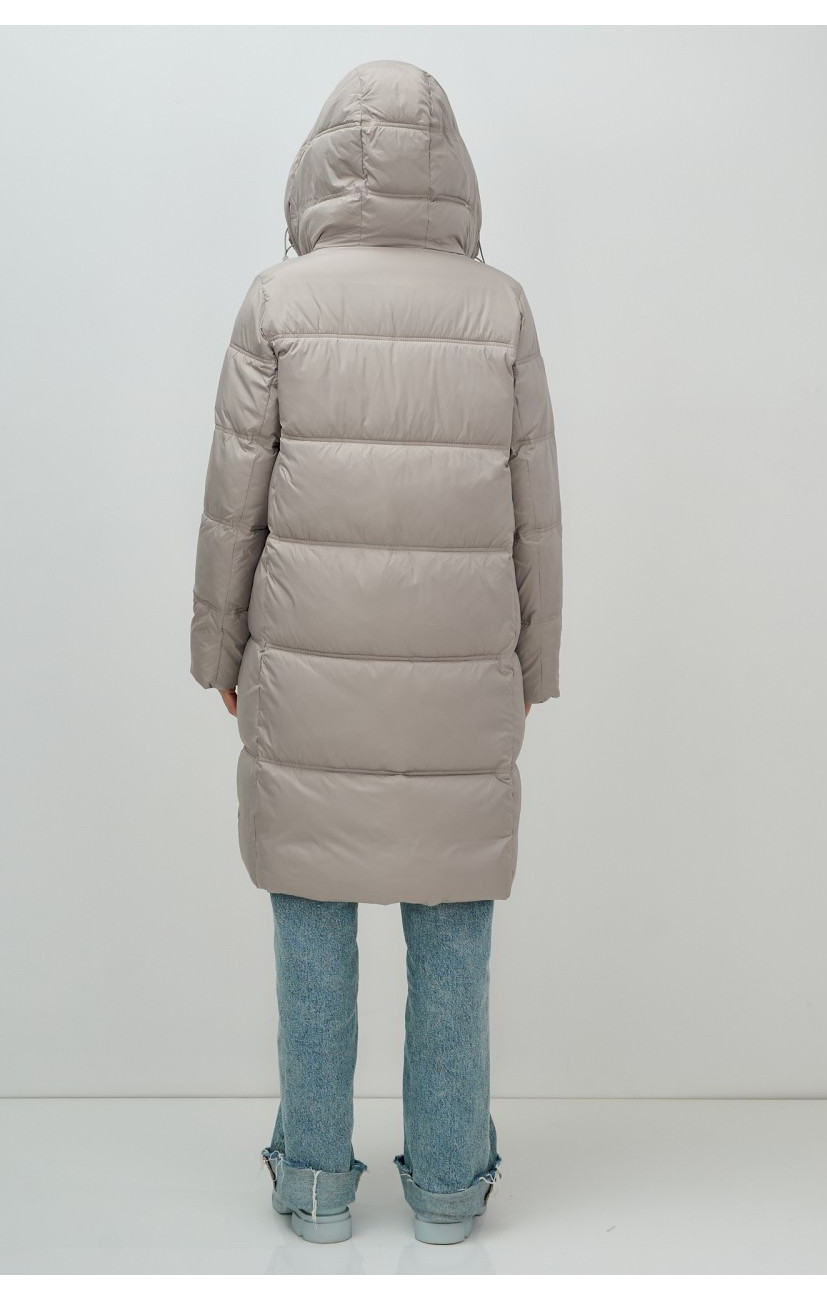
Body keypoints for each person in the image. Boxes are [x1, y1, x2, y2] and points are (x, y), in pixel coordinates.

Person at [189, 58, 562, 1246]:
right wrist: (533, 662)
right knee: (451, 928)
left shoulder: (277, 302)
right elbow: (536, 512)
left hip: (307, 668)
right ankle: (448, 1189)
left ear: (323, 162)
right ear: (448, 170)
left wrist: (218, 648)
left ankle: (312, 1185)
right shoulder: (499, 308)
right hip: (460, 678)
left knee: (312, 918)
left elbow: (233, 501)